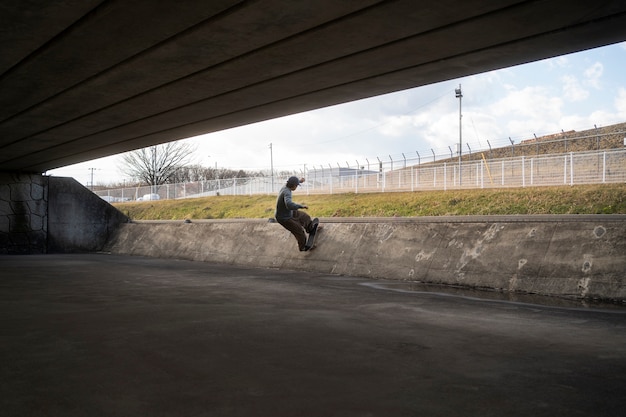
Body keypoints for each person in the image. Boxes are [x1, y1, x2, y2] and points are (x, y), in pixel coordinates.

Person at [275, 176, 319, 251]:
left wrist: (300, 181)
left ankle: (310, 228)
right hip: (284, 218)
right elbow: (289, 204)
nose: (297, 187)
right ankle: (302, 247)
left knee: (304, 217)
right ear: (294, 186)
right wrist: (301, 206)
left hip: (288, 212)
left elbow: (293, 181)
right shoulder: (287, 192)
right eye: (297, 186)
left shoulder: (286, 186)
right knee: (299, 231)